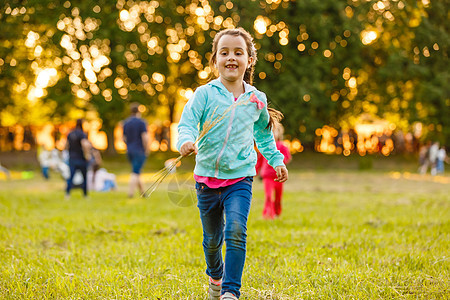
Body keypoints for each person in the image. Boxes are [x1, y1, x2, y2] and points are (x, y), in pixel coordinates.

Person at [177, 28, 288, 300]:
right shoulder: (204, 94)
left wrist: (275, 160)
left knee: (236, 231)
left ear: (249, 60)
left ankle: (230, 292)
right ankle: (215, 276)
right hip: (206, 179)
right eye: (224, 52)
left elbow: (263, 135)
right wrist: (186, 140)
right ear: (214, 60)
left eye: (238, 52)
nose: (231, 57)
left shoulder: (256, 99)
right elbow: (188, 122)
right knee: (212, 241)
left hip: (240, 177)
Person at [256, 123, 291, 219]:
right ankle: (268, 214)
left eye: (275, 132)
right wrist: (255, 171)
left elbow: (287, 157)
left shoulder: (282, 146)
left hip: (278, 176)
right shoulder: (264, 148)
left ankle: (277, 213)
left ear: (279, 133)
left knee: (278, 197)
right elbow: (259, 161)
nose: (273, 134)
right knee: (268, 196)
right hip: (267, 176)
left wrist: (279, 161)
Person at [122, 102, 149, 198]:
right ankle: (130, 193)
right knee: (135, 172)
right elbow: (145, 137)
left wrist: (129, 145)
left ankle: (143, 193)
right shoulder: (141, 122)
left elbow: (124, 138)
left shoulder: (126, 123)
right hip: (139, 150)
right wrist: (147, 149)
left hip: (129, 150)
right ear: (139, 111)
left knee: (137, 171)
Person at [65, 119, 91, 198]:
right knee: (84, 177)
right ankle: (85, 194)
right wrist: (87, 155)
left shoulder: (70, 134)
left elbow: (66, 146)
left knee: (71, 176)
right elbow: (85, 144)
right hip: (81, 158)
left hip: (72, 158)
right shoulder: (82, 134)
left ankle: (67, 194)